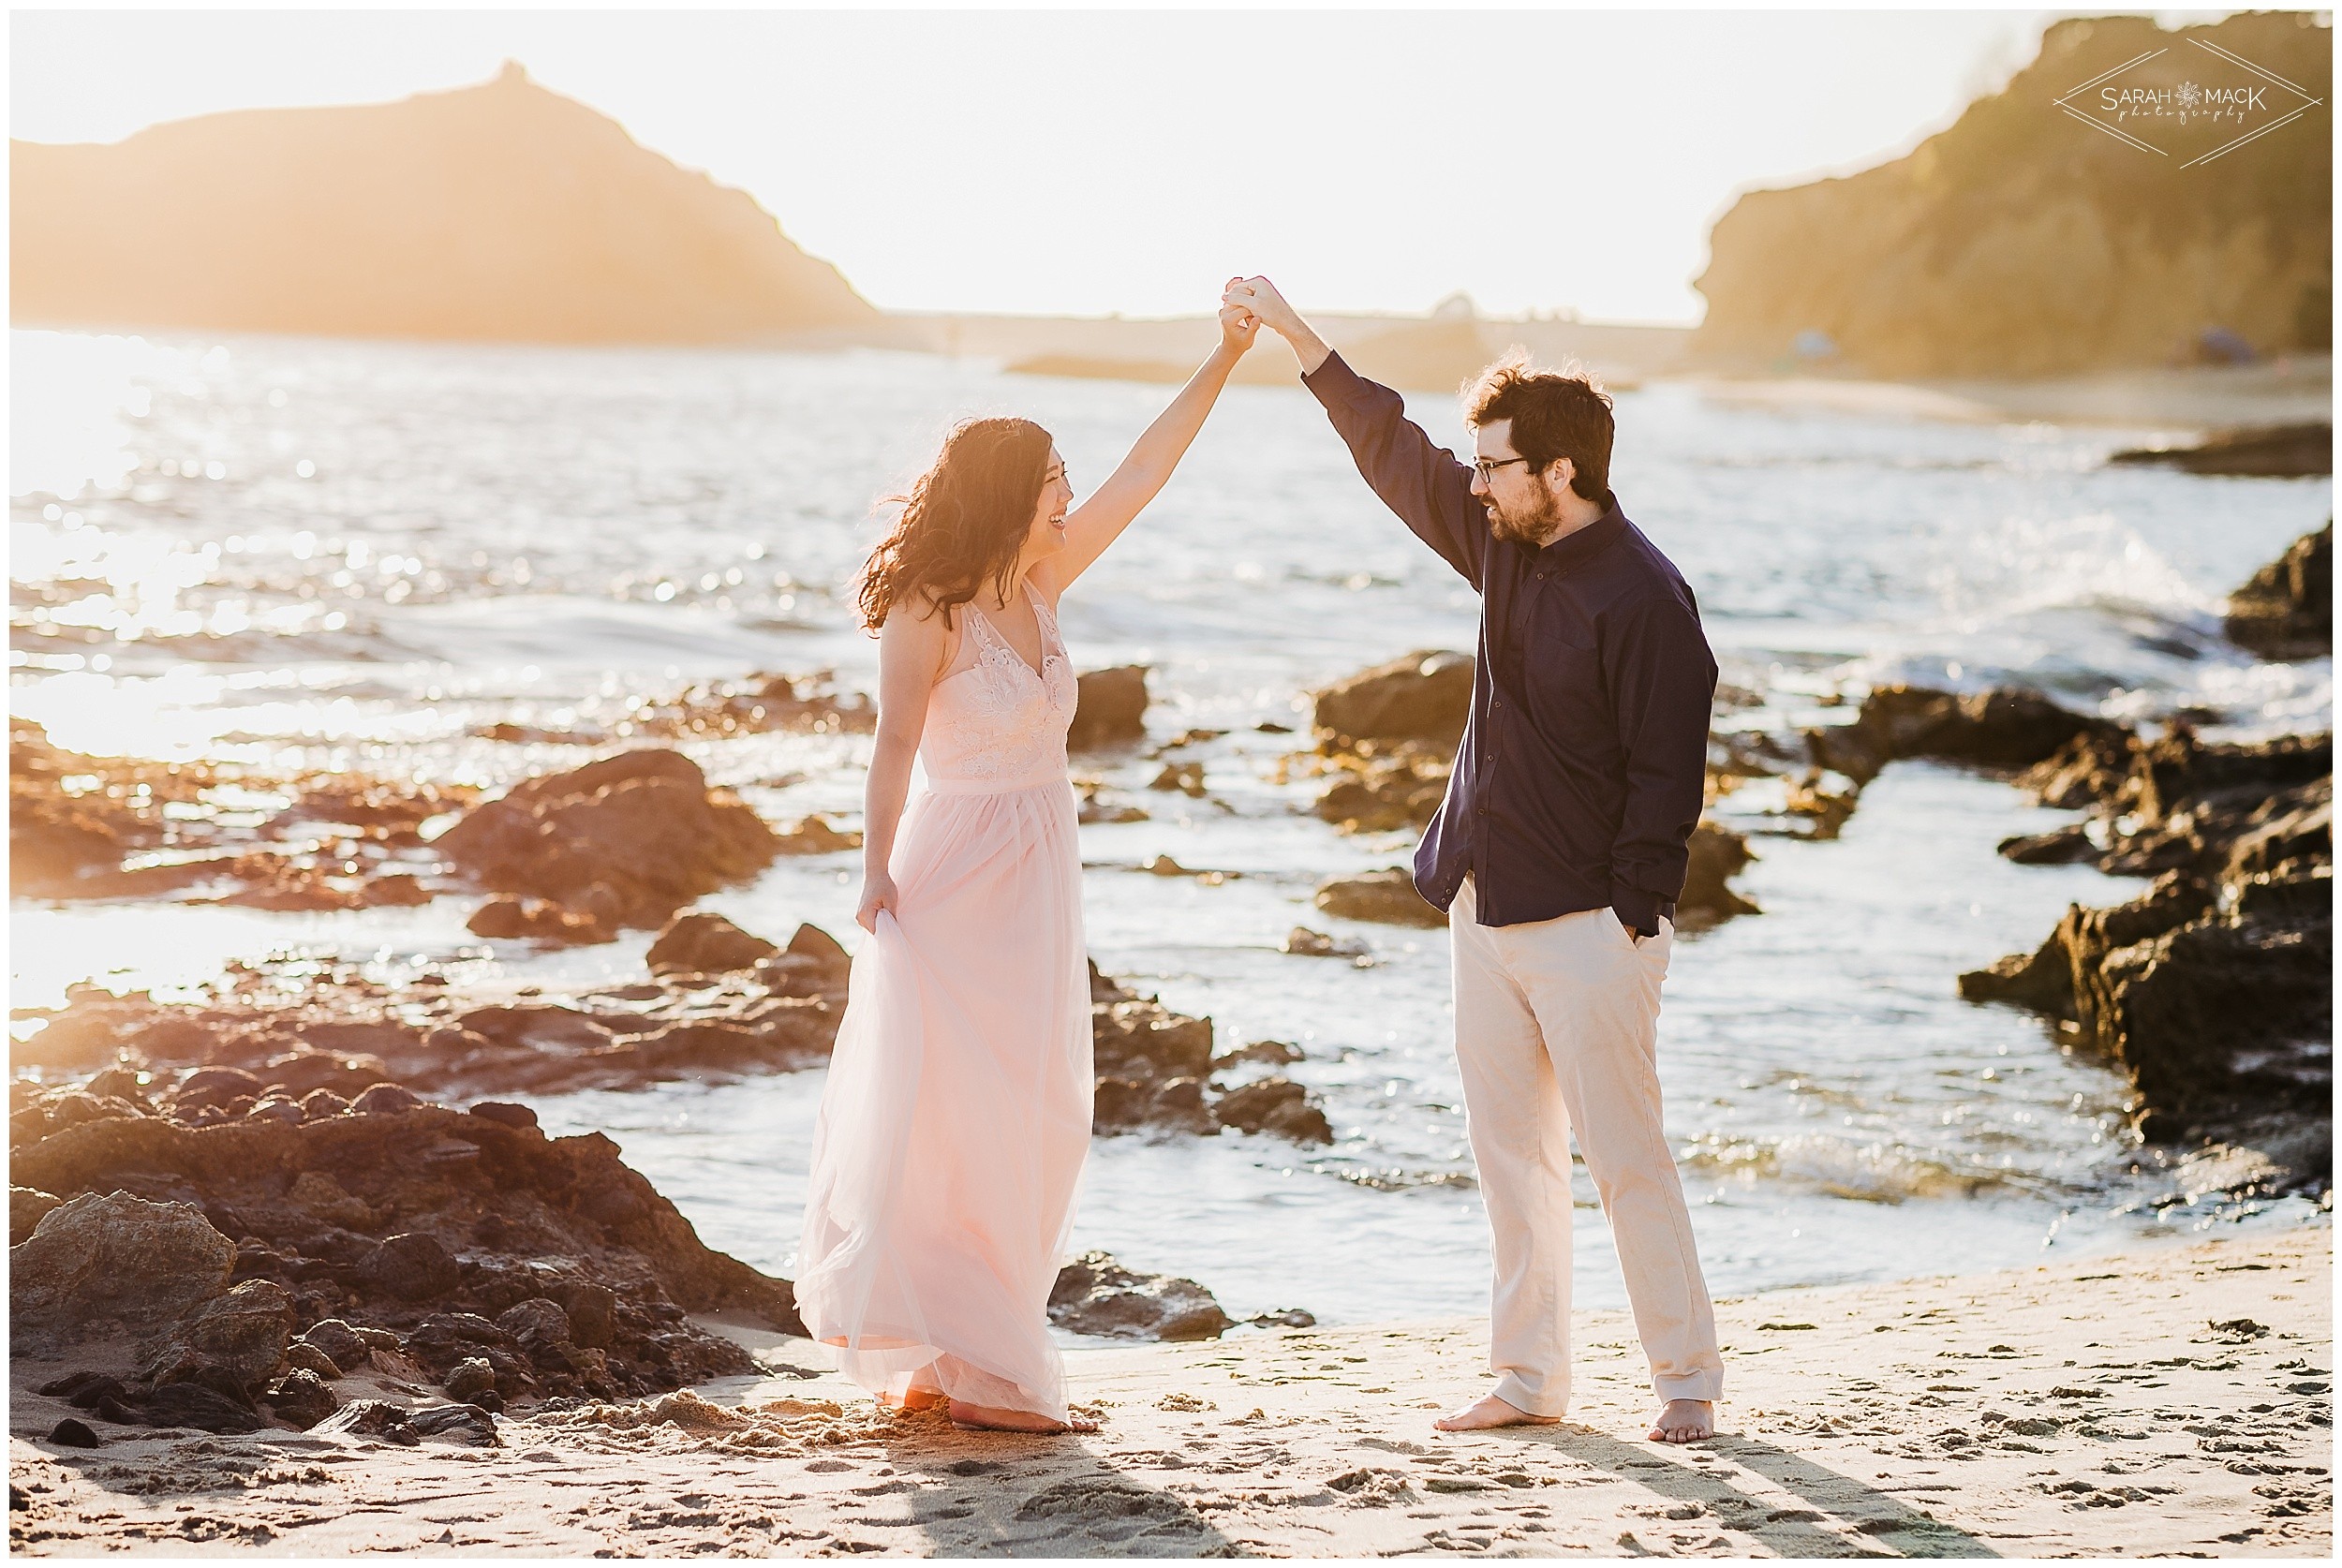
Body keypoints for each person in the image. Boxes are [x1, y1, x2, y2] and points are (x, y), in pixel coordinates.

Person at [1223, 276, 1725, 1444]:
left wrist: (1632, 915)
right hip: (1483, 906)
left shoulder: (1648, 599)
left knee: (1626, 1162)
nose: (1477, 479)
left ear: (1562, 473)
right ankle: (1527, 1377)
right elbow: (1389, 451)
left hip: (1594, 929)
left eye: (1495, 463)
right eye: (1480, 463)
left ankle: (1687, 1383)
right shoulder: (1501, 543)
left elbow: (1668, 774)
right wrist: (1302, 341)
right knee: (1510, 1163)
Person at [793, 293, 1259, 1435]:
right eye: (1054, 474)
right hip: (955, 870)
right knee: (958, 1113)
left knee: (1041, 1109)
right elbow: (894, 743)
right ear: (1012, 490)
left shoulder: (1043, 584)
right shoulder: (928, 606)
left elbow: (1150, 468)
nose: (1070, 489)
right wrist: (871, 872)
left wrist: (1226, 355)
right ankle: (980, 1364)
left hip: (1042, 868)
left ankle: (961, 1352)